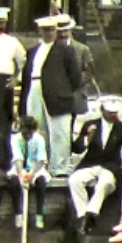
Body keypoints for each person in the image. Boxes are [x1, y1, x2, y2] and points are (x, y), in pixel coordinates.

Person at [20, 15, 82, 176]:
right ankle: (39, 166)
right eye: (45, 30)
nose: (48, 33)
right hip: (35, 88)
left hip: (58, 94)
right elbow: (26, 76)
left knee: (59, 131)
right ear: (39, 31)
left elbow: (75, 76)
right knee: (37, 128)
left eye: (51, 30)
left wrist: (65, 91)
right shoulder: (33, 51)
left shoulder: (65, 50)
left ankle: (59, 167)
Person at [68, 99, 122, 232]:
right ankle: (82, 215)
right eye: (109, 113)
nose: (112, 115)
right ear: (102, 111)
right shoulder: (91, 125)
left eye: (114, 113)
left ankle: (91, 213)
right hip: (90, 163)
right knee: (74, 180)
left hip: (110, 165)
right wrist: (87, 138)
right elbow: (77, 148)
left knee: (106, 183)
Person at [8, 115, 50, 230]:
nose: (27, 136)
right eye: (25, 133)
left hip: (36, 168)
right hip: (19, 168)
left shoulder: (39, 139)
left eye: (30, 134)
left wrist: (32, 174)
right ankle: (18, 213)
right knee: (14, 182)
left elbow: (41, 159)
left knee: (41, 182)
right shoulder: (15, 139)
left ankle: (39, 214)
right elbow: (18, 158)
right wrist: (22, 175)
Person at [58, 15, 96, 118]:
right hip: (56, 95)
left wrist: (75, 82)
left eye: (65, 31)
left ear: (71, 30)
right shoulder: (52, 49)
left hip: (75, 93)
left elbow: (89, 72)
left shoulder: (82, 49)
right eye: (59, 32)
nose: (62, 34)